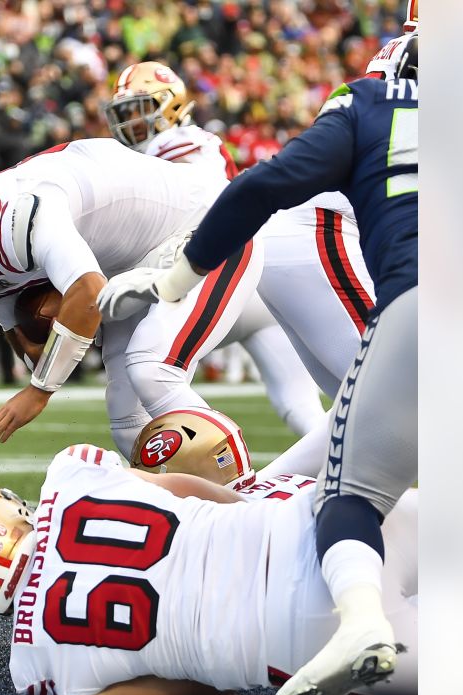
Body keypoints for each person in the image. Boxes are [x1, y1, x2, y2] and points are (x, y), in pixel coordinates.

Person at [97, 37, 419, 695]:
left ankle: (361, 618)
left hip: (421, 307)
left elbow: (262, 187)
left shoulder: (373, 101)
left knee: (350, 495)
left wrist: (173, 279)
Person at [0, 442, 416, 695]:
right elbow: (186, 489)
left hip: (295, 639)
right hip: (310, 531)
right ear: (3, 516)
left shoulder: (38, 673)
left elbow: (190, 689)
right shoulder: (70, 472)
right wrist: (249, 516)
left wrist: (229, 666)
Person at [0, 139, 263, 454]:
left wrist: (39, 391)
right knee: (129, 427)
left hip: (206, 226)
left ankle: (240, 488)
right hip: (141, 260)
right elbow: (28, 338)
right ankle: (191, 514)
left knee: (152, 370)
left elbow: (89, 293)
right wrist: (42, 346)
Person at [104, 60, 373, 447]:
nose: (131, 120)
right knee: (301, 407)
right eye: (125, 111)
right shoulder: (168, 150)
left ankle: (219, 471)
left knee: (147, 376)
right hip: (261, 277)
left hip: (223, 275)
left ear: (172, 104)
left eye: (140, 108)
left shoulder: (179, 144)